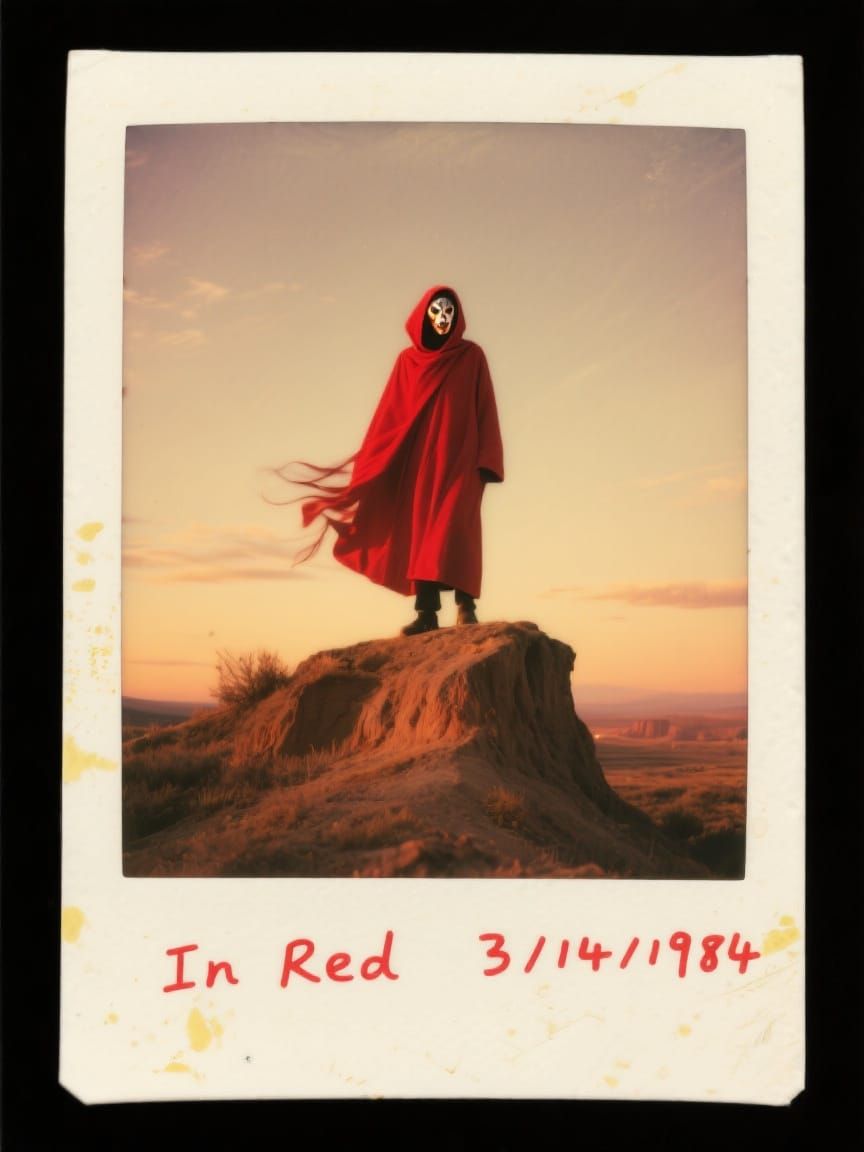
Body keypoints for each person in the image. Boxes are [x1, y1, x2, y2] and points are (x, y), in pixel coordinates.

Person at [287, 285, 504, 636]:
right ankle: (427, 614)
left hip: (462, 463)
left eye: (449, 310)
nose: (444, 317)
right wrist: (374, 462)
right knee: (423, 538)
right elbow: (390, 414)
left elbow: (486, 407)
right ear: (424, 315)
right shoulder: (407, 362)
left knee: (457, 531)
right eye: (437, 311)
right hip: (420, 466)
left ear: (457, 315)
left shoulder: (472, 356)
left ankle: (466, 607)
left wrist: (488, 459)